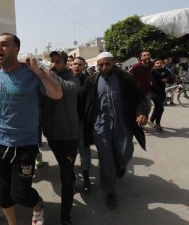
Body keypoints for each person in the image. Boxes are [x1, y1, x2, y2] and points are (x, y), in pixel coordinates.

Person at [0, 33, 63, 225]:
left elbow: (57, 94)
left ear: (16, 49)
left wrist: (39, 71)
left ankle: (38, 205)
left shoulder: (30, 73)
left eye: (5, 44)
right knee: (2, 193)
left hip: (25, 145)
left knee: (21, 194)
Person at [80, 52, 149, 210]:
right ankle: (110, 191)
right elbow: (81, 99)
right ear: (97, 66)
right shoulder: (91, 80)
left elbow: (140, 98)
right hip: (100, 125)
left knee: (125, 152)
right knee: (106, 159)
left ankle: (121, 164)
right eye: (101, 65)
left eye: (107, 64)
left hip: (122, 123)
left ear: (113, 62)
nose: (104, 67)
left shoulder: (126, 78)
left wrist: (142, 112)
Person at [40, 51, 79, 224]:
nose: (54, 64)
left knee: (66, 176)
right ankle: (71, 175)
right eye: (52, 61)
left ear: (65, 63)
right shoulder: (48, 77)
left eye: (57, 61)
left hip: (69, 136)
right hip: (52, 135)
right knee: (66, 169)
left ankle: (66, 217)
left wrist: (49, 73)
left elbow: (66, 90)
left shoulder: (73, 79)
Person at [72, 56, 92, 192]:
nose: (76, 66)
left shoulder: (89, 81)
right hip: (68, 121)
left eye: (79, 64)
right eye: (74, 64)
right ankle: (71, 179)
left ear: (84, 67)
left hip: (82, 121)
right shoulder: (66, 79)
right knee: (70, 151)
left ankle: (86, 178)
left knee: (84, 150)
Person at [129, 50, 154, 115]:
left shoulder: (151, 64)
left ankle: (143, 119)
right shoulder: (136, 66)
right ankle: (136, 121)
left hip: (147, 91)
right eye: (144, 55)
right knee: (136, 108)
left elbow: (157, 67)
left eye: (148, 55)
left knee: (148, 107)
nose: (147, 56)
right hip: (137, 91)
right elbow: (128, 75)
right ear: (141, 57)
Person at [149, 59, 168, 131]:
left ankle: (154, 122)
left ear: (163, 64)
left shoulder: (165, 71)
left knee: (157, 108)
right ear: (154, 64)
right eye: (157, 63)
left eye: (161, 63)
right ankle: (155, 122)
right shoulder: (152, 71)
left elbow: (171, 79)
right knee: (161, 108)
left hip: (162, 93)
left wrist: (167, 79)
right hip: (153, 93)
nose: (159, 64)